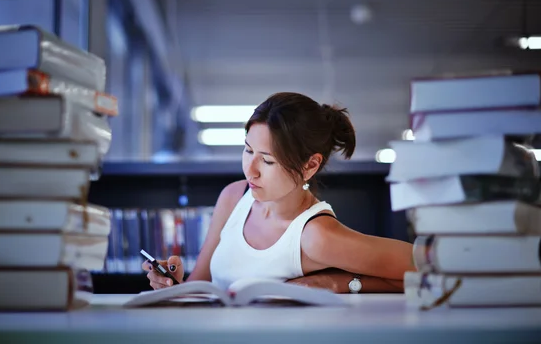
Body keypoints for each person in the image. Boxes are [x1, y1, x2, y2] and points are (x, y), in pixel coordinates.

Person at [143, 92, 415, 293]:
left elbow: (424, 267)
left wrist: (335, 282)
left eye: (268, 160)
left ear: (309, 166)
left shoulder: (315, 236)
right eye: (248, 150)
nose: (251, 170)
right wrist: (172, 286)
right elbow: (199, 287)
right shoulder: (234, 196)